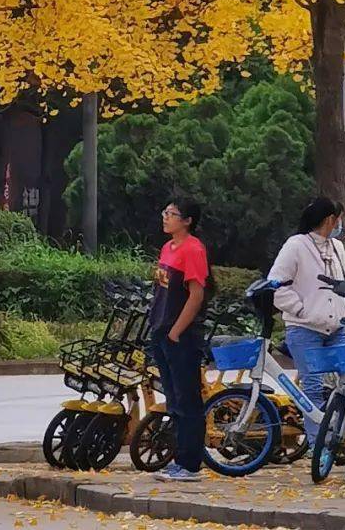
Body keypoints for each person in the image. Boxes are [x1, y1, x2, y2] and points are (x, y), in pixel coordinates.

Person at [268, 196, 345, 436]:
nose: (340, 225)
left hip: (337, 328)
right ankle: (317, 444)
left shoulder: (338, 248)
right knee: (312, 388)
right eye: (339, 220)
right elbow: (277, 285)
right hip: (305, 329)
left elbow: (343, 281)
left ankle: (339, 436)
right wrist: (302, 310)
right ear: (330, 220)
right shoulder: (296, 245)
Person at [148, 196, 211, 483]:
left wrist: (176, 331)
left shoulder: (193, 250)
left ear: (187, 221)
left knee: (187, 400)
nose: (166, 217)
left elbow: (196, 296)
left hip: (181, 336)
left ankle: (190, 463)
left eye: (172, 214)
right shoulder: (167, 247)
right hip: (161, 330)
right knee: (173, 399)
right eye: (165, 211)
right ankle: (177, 458)